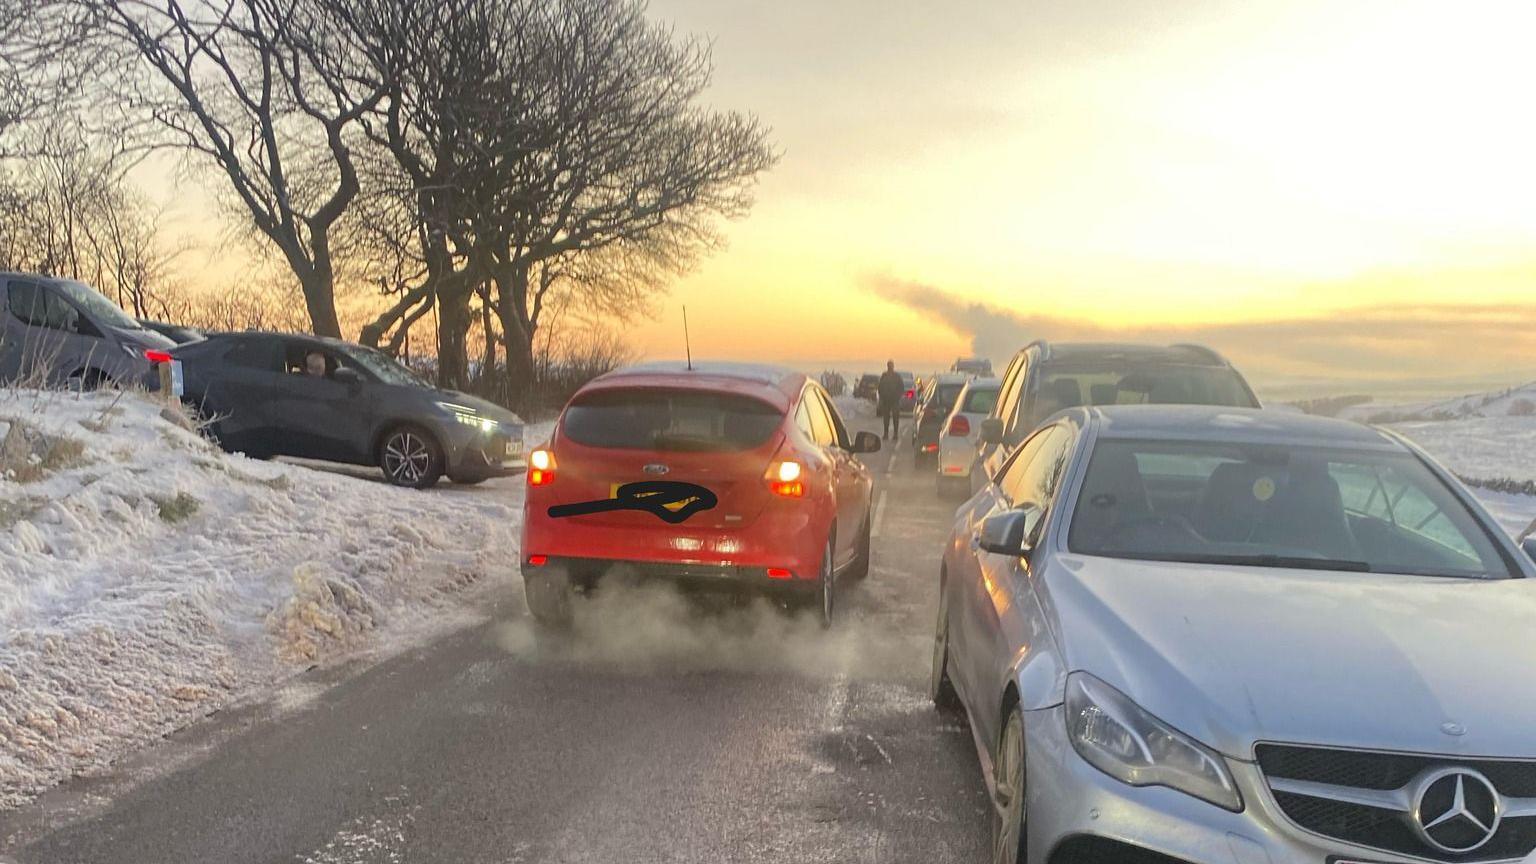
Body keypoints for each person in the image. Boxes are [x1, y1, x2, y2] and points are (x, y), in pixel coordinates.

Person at [877, 360, 905, 440]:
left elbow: (901, 388)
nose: (890, 367)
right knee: (886, 419)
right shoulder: (884, 375)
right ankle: (886, 434)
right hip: (886, 400)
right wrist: (882, 397)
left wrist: (897, 397)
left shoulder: (897, 376)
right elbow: (880, 387)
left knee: (895, 418)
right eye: (889, 365)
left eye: (891, 365)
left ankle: (895, 434)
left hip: (894, 401)